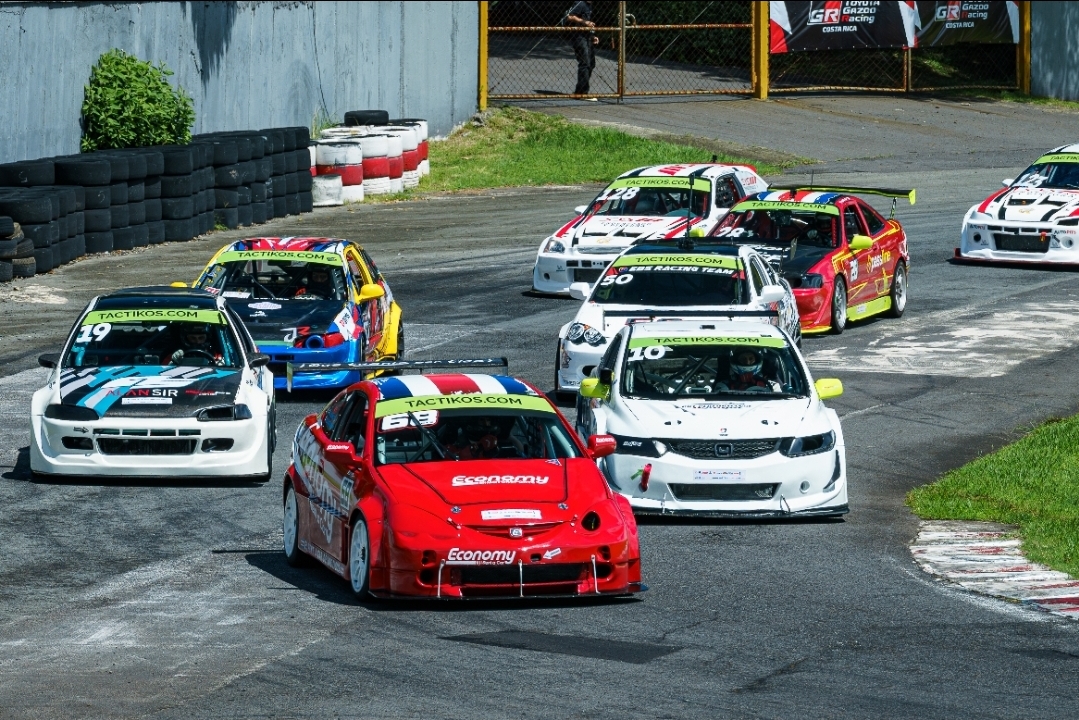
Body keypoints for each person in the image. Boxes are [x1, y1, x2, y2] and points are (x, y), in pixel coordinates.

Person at [564, 1, 598, 96]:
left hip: (587, 36)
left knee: (591, 63)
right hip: (579, 37)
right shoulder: (580, 3)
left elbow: (589, 22)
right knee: (585, 63)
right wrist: (583, 22)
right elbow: (569, 16)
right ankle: (582, 93)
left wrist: (592, 36)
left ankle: (579, 91)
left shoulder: (590, 5)